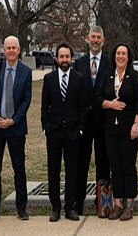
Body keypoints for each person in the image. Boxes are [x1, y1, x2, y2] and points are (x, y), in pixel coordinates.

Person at [0, 36, 32, 221]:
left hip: (16, 128)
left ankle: (21, 208)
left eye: (14, 48)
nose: (11, 51)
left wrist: (13, 120)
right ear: (4, 50)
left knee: (19, 168)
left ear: (19, 50)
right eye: (8, 48)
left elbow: (27, 100)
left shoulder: (26, 72)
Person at [41, 43, 90, 222]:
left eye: (67, 57)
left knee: (72, 171)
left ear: (71, 58)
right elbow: (44, 106)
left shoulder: (80, 79)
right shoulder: (49, 79)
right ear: (56, 59)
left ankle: (70, 207)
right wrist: (45, 126)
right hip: (54, 132)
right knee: (53, 170)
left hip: (72, 132)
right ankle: (55, 207)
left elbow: (84, 107)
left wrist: (81, 129)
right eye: (61, 57)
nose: (64, 60)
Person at [97, 43, 138, 221]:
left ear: (128, 57)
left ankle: (129, 206)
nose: (121, 56)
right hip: (111, 129)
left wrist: (136, 124)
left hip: (129, 129)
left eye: (124, 53)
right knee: (115, 166)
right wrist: (110, 104)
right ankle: (117, 204)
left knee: (128, 166)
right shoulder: (107, 76)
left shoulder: (134, 76)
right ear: (114, 56)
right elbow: (97, 98)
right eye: (118, 53)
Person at [73, 26, 110, 215]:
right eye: (93, 37)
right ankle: (78, 203)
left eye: (99, 38)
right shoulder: (78, 63)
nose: (95, 40)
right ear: (87, 39)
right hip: (84, 121)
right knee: (82, 162)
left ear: (103, 41)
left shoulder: (109, 62)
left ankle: (102, 203)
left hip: (103, 121)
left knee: (103, 162)